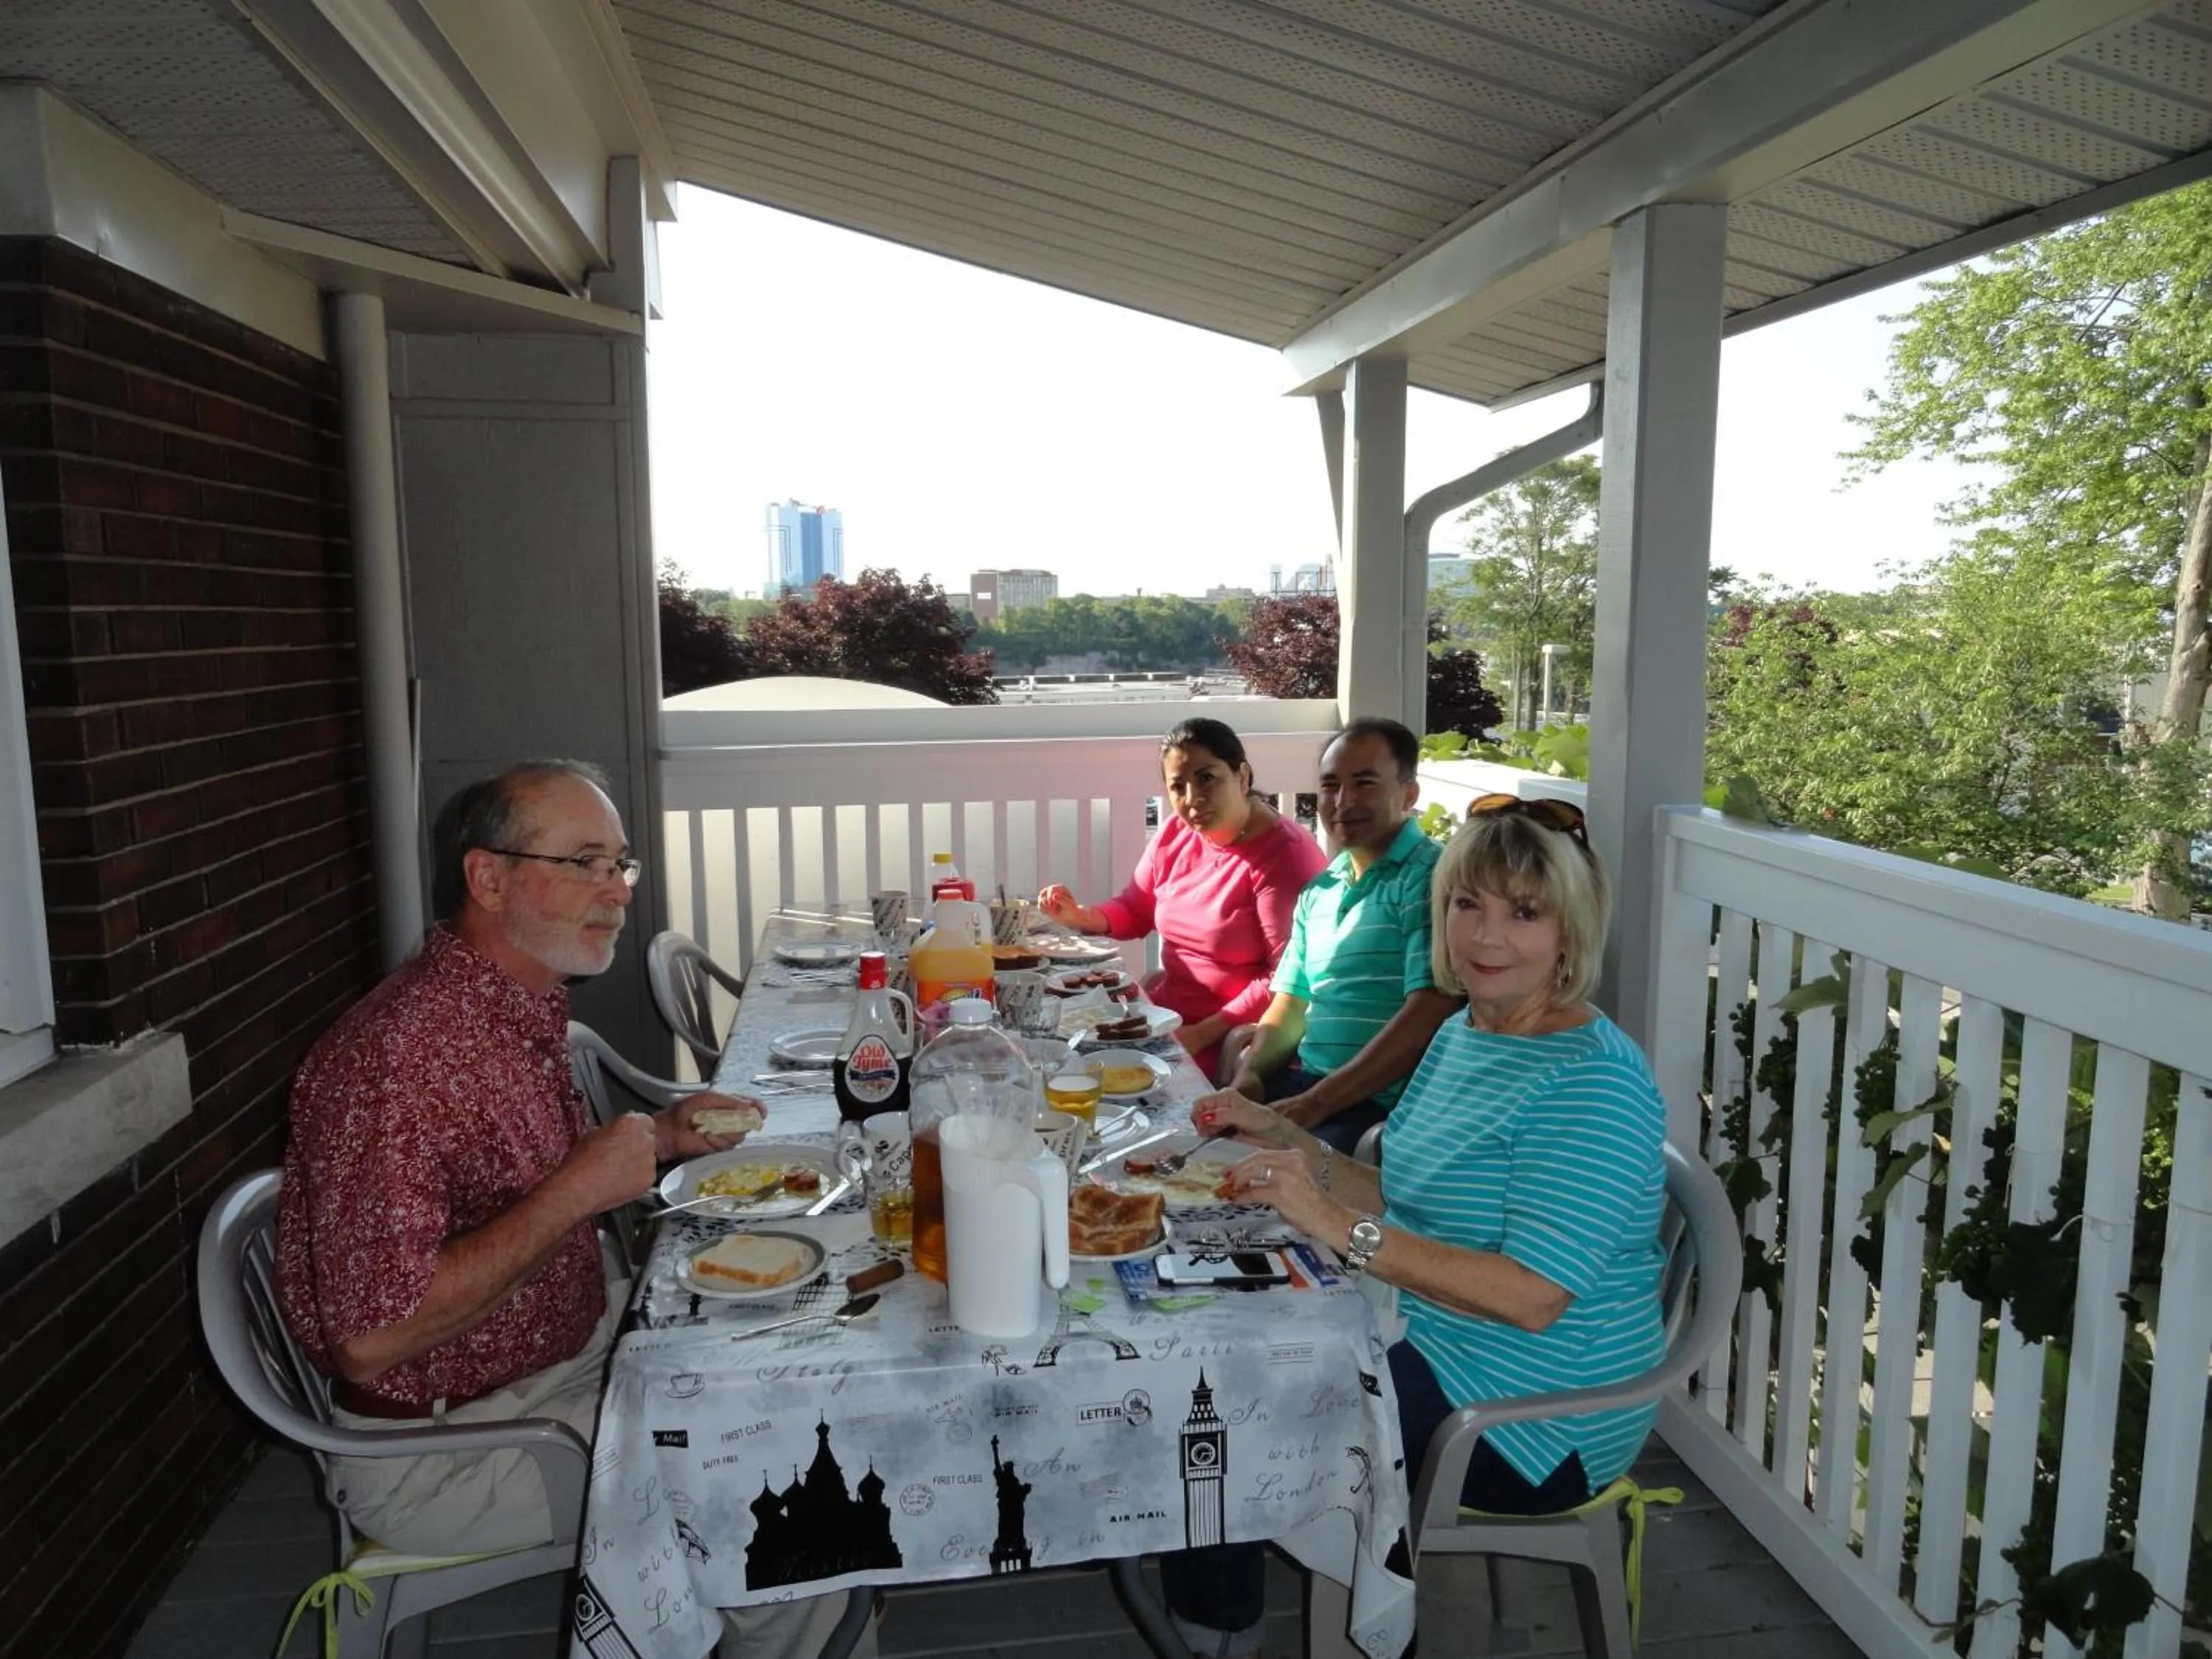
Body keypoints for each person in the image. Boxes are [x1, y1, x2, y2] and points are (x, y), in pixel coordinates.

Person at [275, 759, 860, 1659]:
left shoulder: (511, 1005)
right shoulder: (399, 1061)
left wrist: (659, 1141)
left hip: (564, 1360)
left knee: (810, 1347)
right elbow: (371, 1338)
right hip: (451, 1451)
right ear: (488, 876)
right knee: (777, 1479)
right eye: (583, 862)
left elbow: (518, 1196)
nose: (616, 892)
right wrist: (577, 1191)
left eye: (620, 865)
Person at [1165, 796, 1669, 1658]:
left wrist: (1333, 1225)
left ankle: (1220, 1635)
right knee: (1207, 1342)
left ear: (1571, 929)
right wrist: (1292, 1142)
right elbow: (1403, 1196)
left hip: (1534, 1413)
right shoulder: (1469, 1029)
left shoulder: (1593, 1082)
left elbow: (1534, 1297)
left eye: (1524, 912)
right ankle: (1217, 1616)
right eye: (1467, 902)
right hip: (1435, 1333)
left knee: (1230, 1410)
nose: (1486, 936)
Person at [1203, 717, 1461, 1151]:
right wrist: (1250, 1075)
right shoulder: (1319, 890)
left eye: (1365, 783)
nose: (1343, 801)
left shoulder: (1429, 876)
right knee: (1190, 1151)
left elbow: (1431, 1008)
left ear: (1409, 794)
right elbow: (1290, 1002)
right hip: (1305, 1086)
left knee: (1252, 1184)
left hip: (1374, 1107)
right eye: (1330, 785)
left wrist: (1313, 1106)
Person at [1036, 717, 1324, 1077]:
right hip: (1167, 1018)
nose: (1192, 800)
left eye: (1206, 778)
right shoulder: (1177, 832)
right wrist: (1081, 916)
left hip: (1231, 1039)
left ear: (1243, 776)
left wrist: (1201, 1035)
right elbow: (1135, 909)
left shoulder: (1285, 857)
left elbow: (1285, 979)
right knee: (1057, 1056)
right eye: (1178, 786)